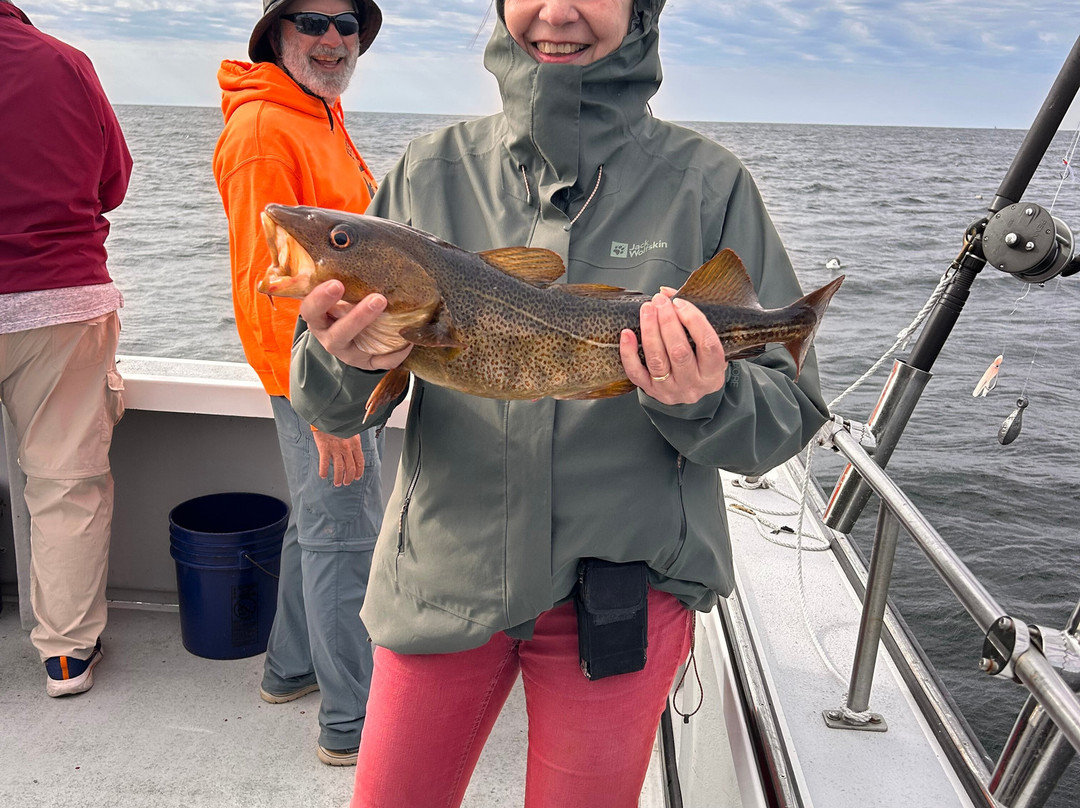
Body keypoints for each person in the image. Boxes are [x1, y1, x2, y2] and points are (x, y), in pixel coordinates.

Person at [292, 0, 830, 803]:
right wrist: (343, 361)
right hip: (442, 577)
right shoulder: (427, 170)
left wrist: (702, 399)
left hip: (624, 594)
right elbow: (330, 411)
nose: (559, 11)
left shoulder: (710, 184)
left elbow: (786, 419)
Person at [212, 0, 385, 767]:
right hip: (317, 382)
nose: (330, 38)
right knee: (344, 534)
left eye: (345, 24)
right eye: (310, 21)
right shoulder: (262, 132)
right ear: (275, 34)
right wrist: (321, 411)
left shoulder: (321, 116)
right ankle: (351, 726)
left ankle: (290, 668)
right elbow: (261, 289)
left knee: (317, 524)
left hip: (346, 370)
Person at [0, 1, 131, 697]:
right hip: (58, 303)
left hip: (54, 300)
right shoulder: (64, 63)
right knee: (65, 481)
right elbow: (113, 181)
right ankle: (66, 658)